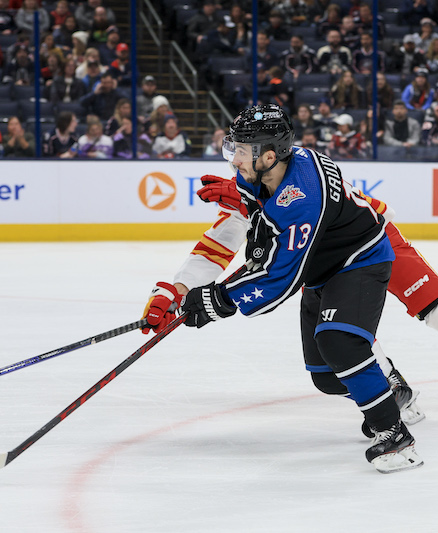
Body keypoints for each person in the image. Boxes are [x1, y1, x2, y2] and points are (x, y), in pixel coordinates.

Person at [140, 103, 423, 473]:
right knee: (326, 377)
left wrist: (218, 300)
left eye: (241, 150)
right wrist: (176, 291)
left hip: (361, 260)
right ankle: (389, 387)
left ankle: (395, 435)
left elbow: (278, 278)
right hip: (320, 269)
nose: (233, 159)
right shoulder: (260, 175)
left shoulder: (301, 196)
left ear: (268, 155)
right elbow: (233, 239)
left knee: (339, 342)